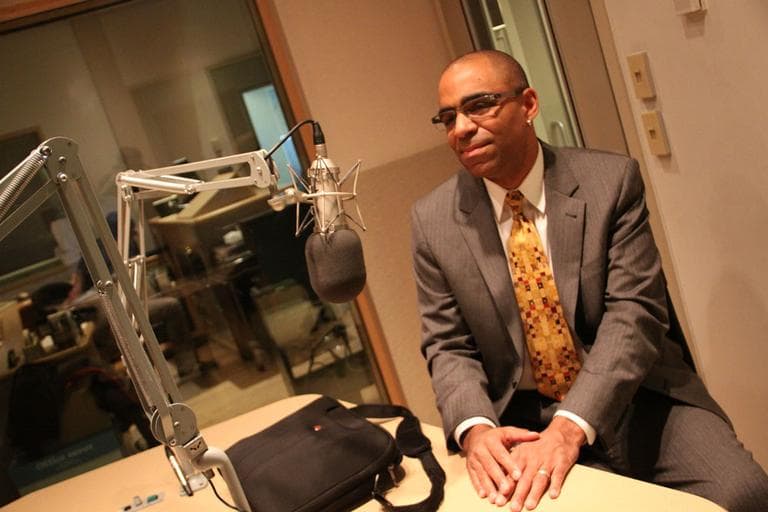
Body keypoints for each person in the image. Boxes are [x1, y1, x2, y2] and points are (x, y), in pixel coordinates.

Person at [411, 50, 768, 512]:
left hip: (640, 396)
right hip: (523, 420)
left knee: (743, 494)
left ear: (530, 104)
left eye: (479, 105)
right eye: (447, 117)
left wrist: (569, 427)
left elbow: (634, 315)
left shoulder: (609, 182)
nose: (460, 128)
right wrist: (476, 430)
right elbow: (448, 345)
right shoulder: (432, 220)